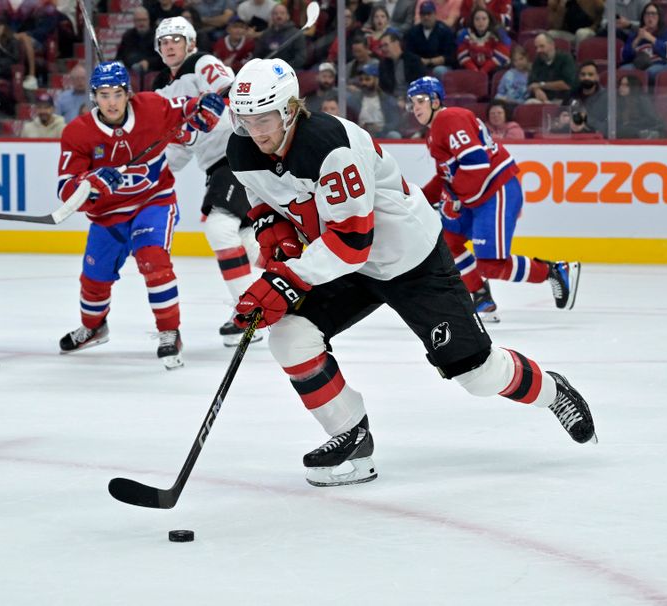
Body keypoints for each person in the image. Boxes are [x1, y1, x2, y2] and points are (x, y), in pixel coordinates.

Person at [225, 58, 597, 487]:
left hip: (408, 258)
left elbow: (352, 242)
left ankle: (552, 391)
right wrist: (274, 235)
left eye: (265, 118)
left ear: (290, 108)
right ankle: (351, 437)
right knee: (290, 337)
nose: (256, 130)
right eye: (246, 118)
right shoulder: (243, 148)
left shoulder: (330, 145)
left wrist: (286, 279)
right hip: (343, 261)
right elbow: (263, 200)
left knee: (478, 375)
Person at [56, 61, 224, 368]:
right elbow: (66, 191)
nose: (111, 101)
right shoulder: (78, 133)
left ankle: (169, 332)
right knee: (94, 280)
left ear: (128, 94)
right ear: (94, 96)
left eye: (117, 94)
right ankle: (94, 328)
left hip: (153, 201)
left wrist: (207, 107)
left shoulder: (151, 106)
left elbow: (189, 111)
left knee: (153, 261)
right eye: (103, 94)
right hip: (107, 215)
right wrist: (90, 182)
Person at [407, 76, 582, 323]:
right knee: (448, 242)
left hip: (495, 191)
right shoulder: (434, 132)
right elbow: (445, 175)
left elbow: (477, 164)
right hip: (475, 194)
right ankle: (481, 298)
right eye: (412, 103)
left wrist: (455, 199)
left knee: (491, 265)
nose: (416, 108)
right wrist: (419, 199)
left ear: (436, 100)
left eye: (421, 101)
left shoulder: (450, 118)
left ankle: (555, 270)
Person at [153, 17, 263, 347]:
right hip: (219, 165)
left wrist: (211, 115)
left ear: (190, 42)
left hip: (238, 152)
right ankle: (295, 291)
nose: (170, 45)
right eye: (164, 41)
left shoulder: (203, 63)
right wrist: (149, 170)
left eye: (176, 39)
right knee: (248, 235)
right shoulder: (163, 93)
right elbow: (179, 149)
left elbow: (237, 101)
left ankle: (251, 312)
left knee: (220, 227)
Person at [405, 0, 456, 79]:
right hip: (419, 65)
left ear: (435, 14)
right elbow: (408, 52)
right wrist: (419, 61)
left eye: (429, 14)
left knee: (439, 70)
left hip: (441, 66)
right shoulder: (413, 32)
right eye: (423, 14)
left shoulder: (445, 30)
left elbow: (451, 55)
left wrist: (431, 61)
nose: (426, 17)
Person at [457, 7, 510, 75]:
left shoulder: (498, 34)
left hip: (493, 68)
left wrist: (483, 70)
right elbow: (462, 55)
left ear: (489, 20)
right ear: (473, 21)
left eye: (484, 19)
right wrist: (474, 70)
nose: (480, 22)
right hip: (472, 69)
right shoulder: (465, 35)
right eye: (477, 19)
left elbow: (501, 56)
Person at [526, 32, 576, 104]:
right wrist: (537, 90)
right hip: (540, 100)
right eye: (536, 47)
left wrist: (541, 85)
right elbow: (531, 83)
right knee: (529, 104)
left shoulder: (566, 59)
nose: (538, 50)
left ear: (552, 45)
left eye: (542, 46)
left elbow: (567, 84)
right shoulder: (538, 60)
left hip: (561, 100)